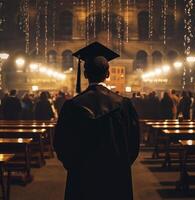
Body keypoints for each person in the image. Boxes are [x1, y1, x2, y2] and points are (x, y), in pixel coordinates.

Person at [54, 42, 140, 200]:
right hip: (115, 174)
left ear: (85, 75)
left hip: (82, 174)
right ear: (108, 74)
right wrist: (121, 164)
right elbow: (133, 144)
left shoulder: (72, 106)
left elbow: (61, 143)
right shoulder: (124, 105)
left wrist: (74, 166)